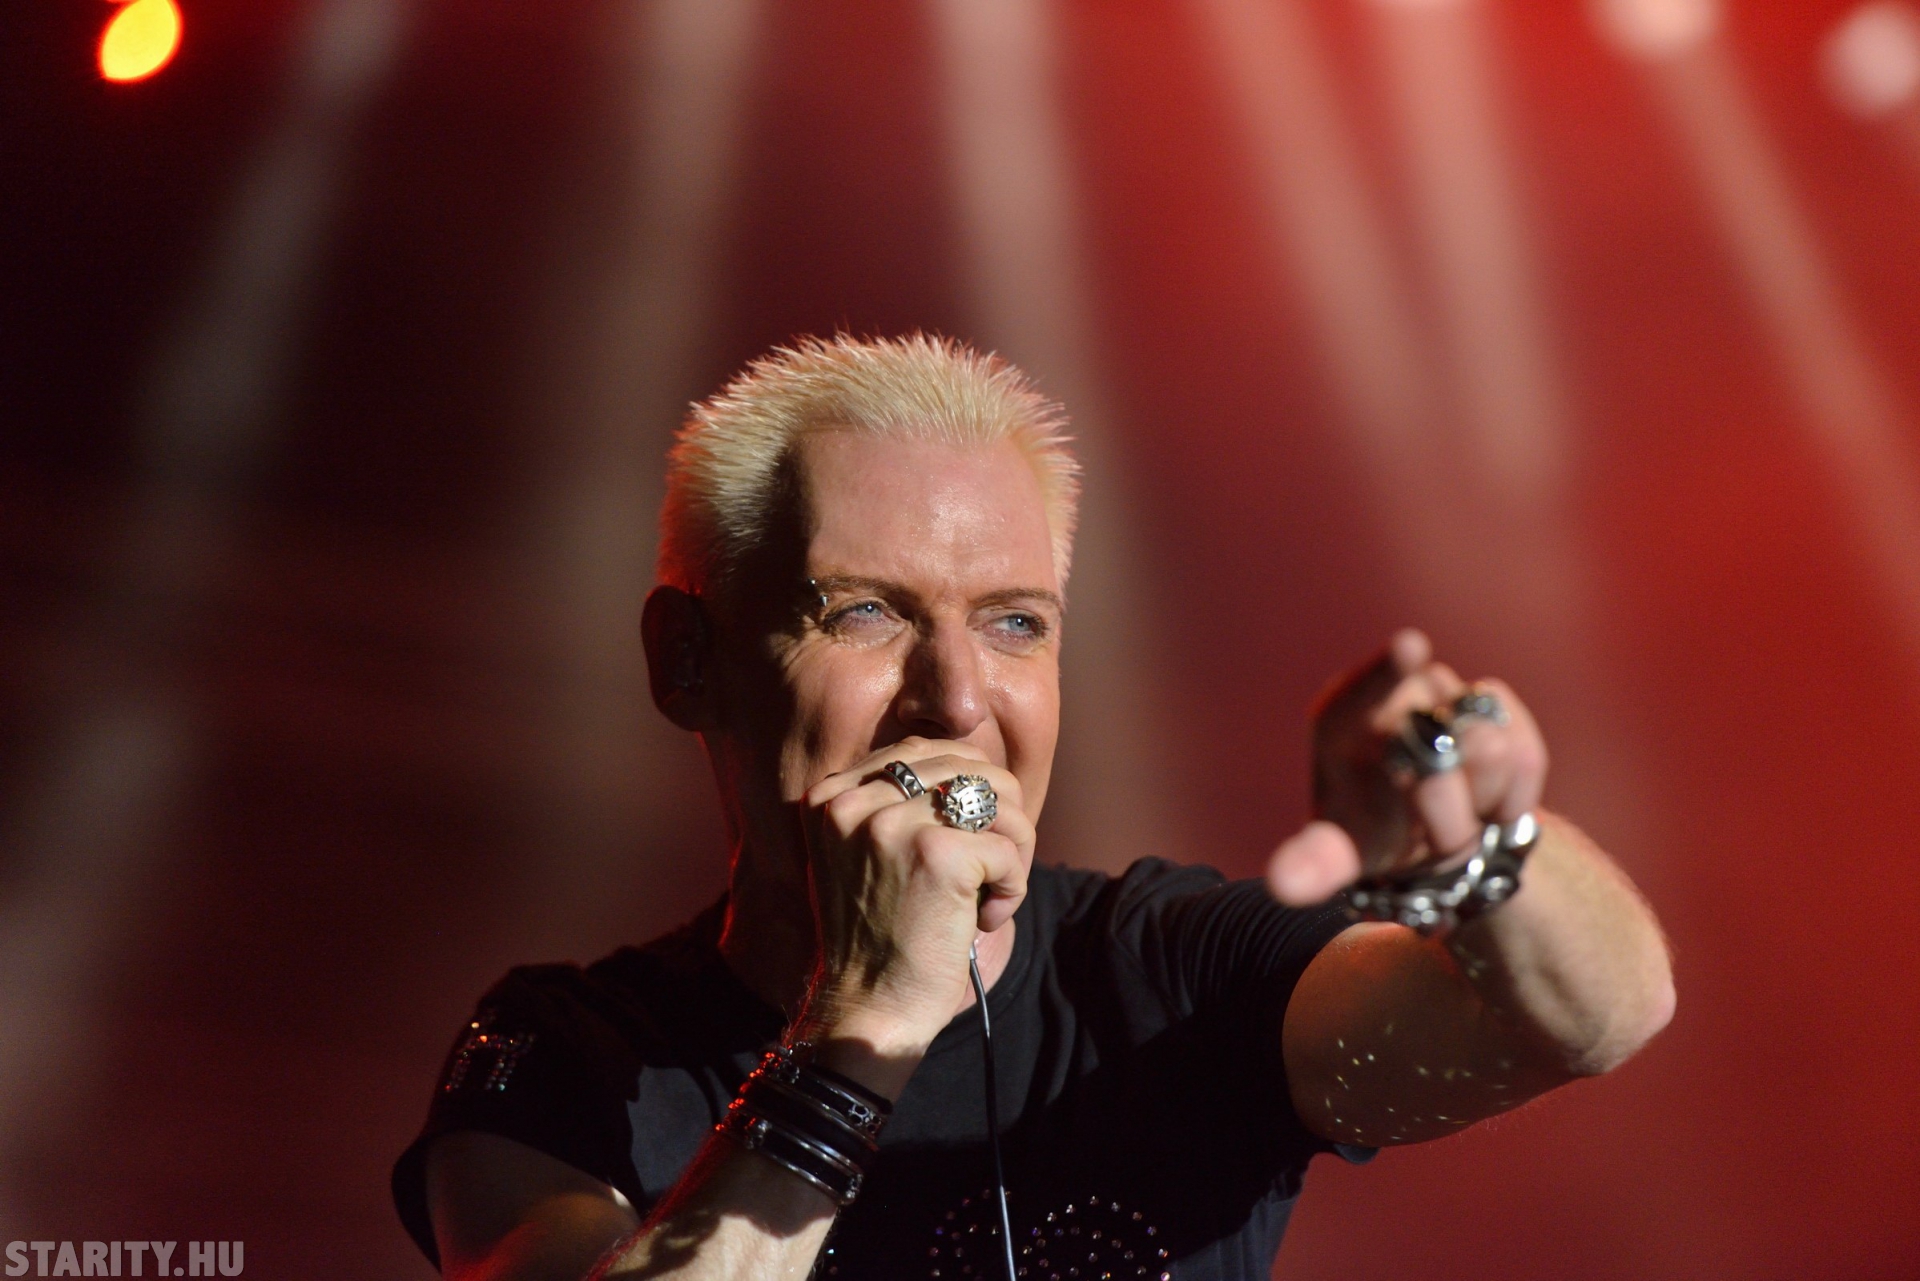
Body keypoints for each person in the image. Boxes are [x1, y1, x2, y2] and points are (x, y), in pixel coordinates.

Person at [392, 334, 1674, 1281]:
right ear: (687, 662)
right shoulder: (566, 1059)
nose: (955, 699)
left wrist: (1477, 853)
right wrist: (865, 1019)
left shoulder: (1172, 976)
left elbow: (1590, 1017)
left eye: (1013, 624)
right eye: (866, 612)